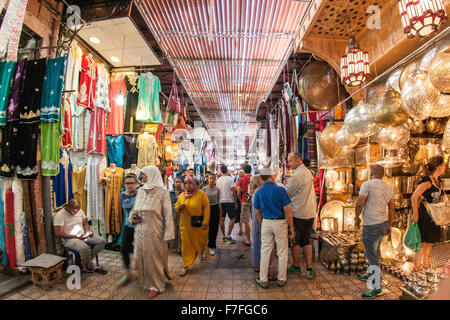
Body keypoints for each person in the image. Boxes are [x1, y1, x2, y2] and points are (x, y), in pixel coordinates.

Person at [129, 166, 175, 299]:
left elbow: (168, 215)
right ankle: (145, 281)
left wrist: (168, 234)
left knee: (154, 259)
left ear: (151, 175)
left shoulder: (162, 193)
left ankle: (156, 285)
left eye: (143, 175)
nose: (141, 177)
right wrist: (132, 218)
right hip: (139, 231)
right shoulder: (141, 191)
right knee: (139, 257)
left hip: (155, 232)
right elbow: (134, 209)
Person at [354, 165, 395, 299]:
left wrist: (356, 217)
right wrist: (390, 225)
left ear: (371, 173)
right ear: (382, 174)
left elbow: (359, 204)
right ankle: (370, 273)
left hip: (371, 225)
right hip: (383, 224)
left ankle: (376, 287)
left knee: (372, 255)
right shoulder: (388, 188)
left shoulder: (367, 185)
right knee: (375, 252)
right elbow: (392, 209)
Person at [254, 167, 295, 289]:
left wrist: (262, 223)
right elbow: (287, 211)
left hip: (266, 222)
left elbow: (257, 212)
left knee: (265, 251)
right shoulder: (280, 190)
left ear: (262, 178)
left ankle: (263, 279)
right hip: (280, 223)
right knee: (282, 252)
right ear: (272, 177)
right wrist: (291, 228)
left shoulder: (259, 192)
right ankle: (281, 279)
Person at [53, 199, 107, 274]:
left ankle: (87, 262)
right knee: (84, 247)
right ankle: (91, 266)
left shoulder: (80, 211)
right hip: (69, 239)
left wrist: (87, 232)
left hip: (82, 235)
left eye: (78, 209)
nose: (76, 211)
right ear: (68, 207)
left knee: (102, 241)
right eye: (74, 210)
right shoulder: (60, 215)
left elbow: (85, 223)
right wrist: (76, 236)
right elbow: (58, 233)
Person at [411, 156, 446, 271]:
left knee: (430, 243)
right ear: (439, 166)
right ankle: (417, 268)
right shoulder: (427, 182)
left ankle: (426, 266)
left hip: (434, 217)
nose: (445, 167)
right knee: (422, 244)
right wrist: (415, 214)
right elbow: (414, 197)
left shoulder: (438, 180)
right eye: (444, 165)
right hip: (425, 216)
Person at [286, 153, 317, 279]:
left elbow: (287, 193)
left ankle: (296, 266)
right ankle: (309, 268)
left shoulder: (297, 176)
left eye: (290, 161)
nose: (288, 164)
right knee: (306, 240)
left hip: (298, 212)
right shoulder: (308, 172)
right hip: (309, 212)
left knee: (295, 240)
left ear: (297, 160)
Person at [175, 176, 210, 277]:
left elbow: (207, 208)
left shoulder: (201, 194)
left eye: (190, 183)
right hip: (185, 226)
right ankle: (186, 265)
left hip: (198, 225)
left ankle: (201, 251)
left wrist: (205, 221)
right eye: (186, 184)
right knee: (186, 246)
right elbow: (176, 206)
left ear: (194, 184)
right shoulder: (182, 195)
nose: (188, 186)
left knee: (200, 242)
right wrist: (179, 207)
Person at [118, 174, 139, 287]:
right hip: (128, 225)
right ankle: (128, 273)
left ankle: (143, 271)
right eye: (127, 183)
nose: (129, 185)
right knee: (124, 249)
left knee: (140, 249)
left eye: (131, 183)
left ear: (136, 183)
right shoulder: (122, 195)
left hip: (140, 226)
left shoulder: (140, 194)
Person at [216, 165, 238, 243]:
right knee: (232, 218)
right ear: (227, 170)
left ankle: (224, 235)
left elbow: (217, 191)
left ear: (221, 171)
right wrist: (235, 202)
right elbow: (233, 191)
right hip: (229, 200)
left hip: (221, 201)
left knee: (222, 218)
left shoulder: (218, 180)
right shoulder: (230, 179)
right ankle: (228, 235)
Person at [202, 174, 222, 256]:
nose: (211, 180)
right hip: (206, 208)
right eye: (210, 178)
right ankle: (203, 247)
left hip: (215, 208)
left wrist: (220, 212)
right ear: (207, 179)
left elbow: (219, 200)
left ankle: (212, 246)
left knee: (214, 228)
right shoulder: (204, 189)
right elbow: (202, 200)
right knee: (205, 228)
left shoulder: (217, 189)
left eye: (213, 178)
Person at [249, 174, 263, 271]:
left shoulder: (255, 192)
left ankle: (257, 262)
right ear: (258, 182)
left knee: (257, 240)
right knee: (259, 241)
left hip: (256, 219)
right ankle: (258, 263)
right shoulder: (258, 192)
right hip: (259, 219)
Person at [236, 165, 252, 246]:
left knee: (246, 221)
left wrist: (240, 200)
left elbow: (238, 192)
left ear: (244, 171)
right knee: (258, 220)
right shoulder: (255, 178)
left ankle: (249, 240)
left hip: (245, 201)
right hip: (255, 201)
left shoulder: (241, 179)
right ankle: (259, 239)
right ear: (251, 170)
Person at [169, 177, 184, 254]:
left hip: (181, 214)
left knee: (180, 231)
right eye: (176, 182)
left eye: (179, 182)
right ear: (174, 183)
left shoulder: (184, 193)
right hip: (172, 214)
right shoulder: (170, 193)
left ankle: (180, 249)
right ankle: (173, 248)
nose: (178, 183)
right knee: (174, 230)